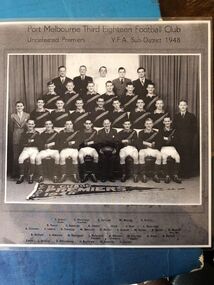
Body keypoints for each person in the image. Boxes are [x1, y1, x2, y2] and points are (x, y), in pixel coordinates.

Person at [173, 100, 198, 178]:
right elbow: (174, 128)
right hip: (178, 140)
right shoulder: (176, 116)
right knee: (179, 156)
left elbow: (194, 129)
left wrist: (189, 137)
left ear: (187, 106)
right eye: (181, 105)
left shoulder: (191, 116)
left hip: (188, 140)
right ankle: (180, 173)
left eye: (184, 105)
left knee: (187, 156)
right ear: (179, 106)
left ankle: (187, 173)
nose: (182, 107)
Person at [138, 118, 162, 183]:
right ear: (145, 124)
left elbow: (159, 143)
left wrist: (153, 145)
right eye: (147, 124)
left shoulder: (156, 133)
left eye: (150, 123)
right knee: (141, 154)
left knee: (159, 155)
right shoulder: (141, 133)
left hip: (153, 149)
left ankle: (155, 175)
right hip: (144, 149)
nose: (149, 125)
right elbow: (139, 143)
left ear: (153, 124)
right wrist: (147, 143)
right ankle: (143, 175)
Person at [16, 119, 40, 184]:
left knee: (32, 159)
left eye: (32, 124)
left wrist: (29, 142)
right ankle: (21, 176)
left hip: (34, 149)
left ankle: (31, 176)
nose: (30, 125)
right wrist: (30, 142)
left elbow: (38, 143)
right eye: (29, 124)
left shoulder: (37, 133)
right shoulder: (24, 134)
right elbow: (21, 143)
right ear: (27, 124)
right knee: (20, 159)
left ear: (34, 125)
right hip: (26, 149)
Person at [159, 116, 181, 184]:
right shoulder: (161, 130)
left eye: (168, 121)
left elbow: (176, 141)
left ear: (171, 121)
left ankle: (175, 175)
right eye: (165, 121)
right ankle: (167, 175)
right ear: (163, 122)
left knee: (177, 157)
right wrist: (169, 139)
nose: (167, 123)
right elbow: (160, 141)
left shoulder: (174, 130)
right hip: (164, 148)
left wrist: (166, 139)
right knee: (164, 158)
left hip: (172, 147)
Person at [11, 101, 30, 177]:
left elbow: (29, 126)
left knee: (24, 154)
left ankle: (25, 172)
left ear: (23, 107)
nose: (19, 107)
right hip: (16, 135)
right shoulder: (12, 115)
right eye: (18, 106)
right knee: (16, 155)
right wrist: (15, 133)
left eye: (21, 106)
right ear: (16, 107)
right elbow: (10, 127)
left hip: (24, 136)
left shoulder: (27, 115)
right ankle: (16, 173)